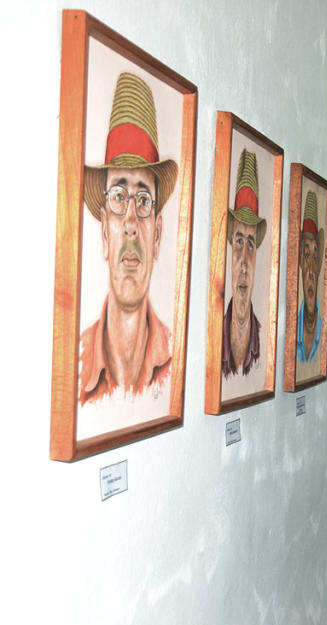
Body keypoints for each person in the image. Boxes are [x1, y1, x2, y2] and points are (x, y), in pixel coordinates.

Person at [79, 72, 178, 404]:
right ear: (104, 232)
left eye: (144, 200)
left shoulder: (175, 359)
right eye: (119, 197)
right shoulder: (76, 365)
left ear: (157, 234)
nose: (132, 223)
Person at [222, 149, 266, 377]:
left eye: (251, 244)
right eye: (239, 242)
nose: (245, 265)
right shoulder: (215, 336)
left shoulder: (262, 335)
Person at [297, 190, 324, 363]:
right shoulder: (294, 330)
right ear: (300, 263)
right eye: (307, 256)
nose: (311, 272)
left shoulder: (323, 329)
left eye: (315, 258)